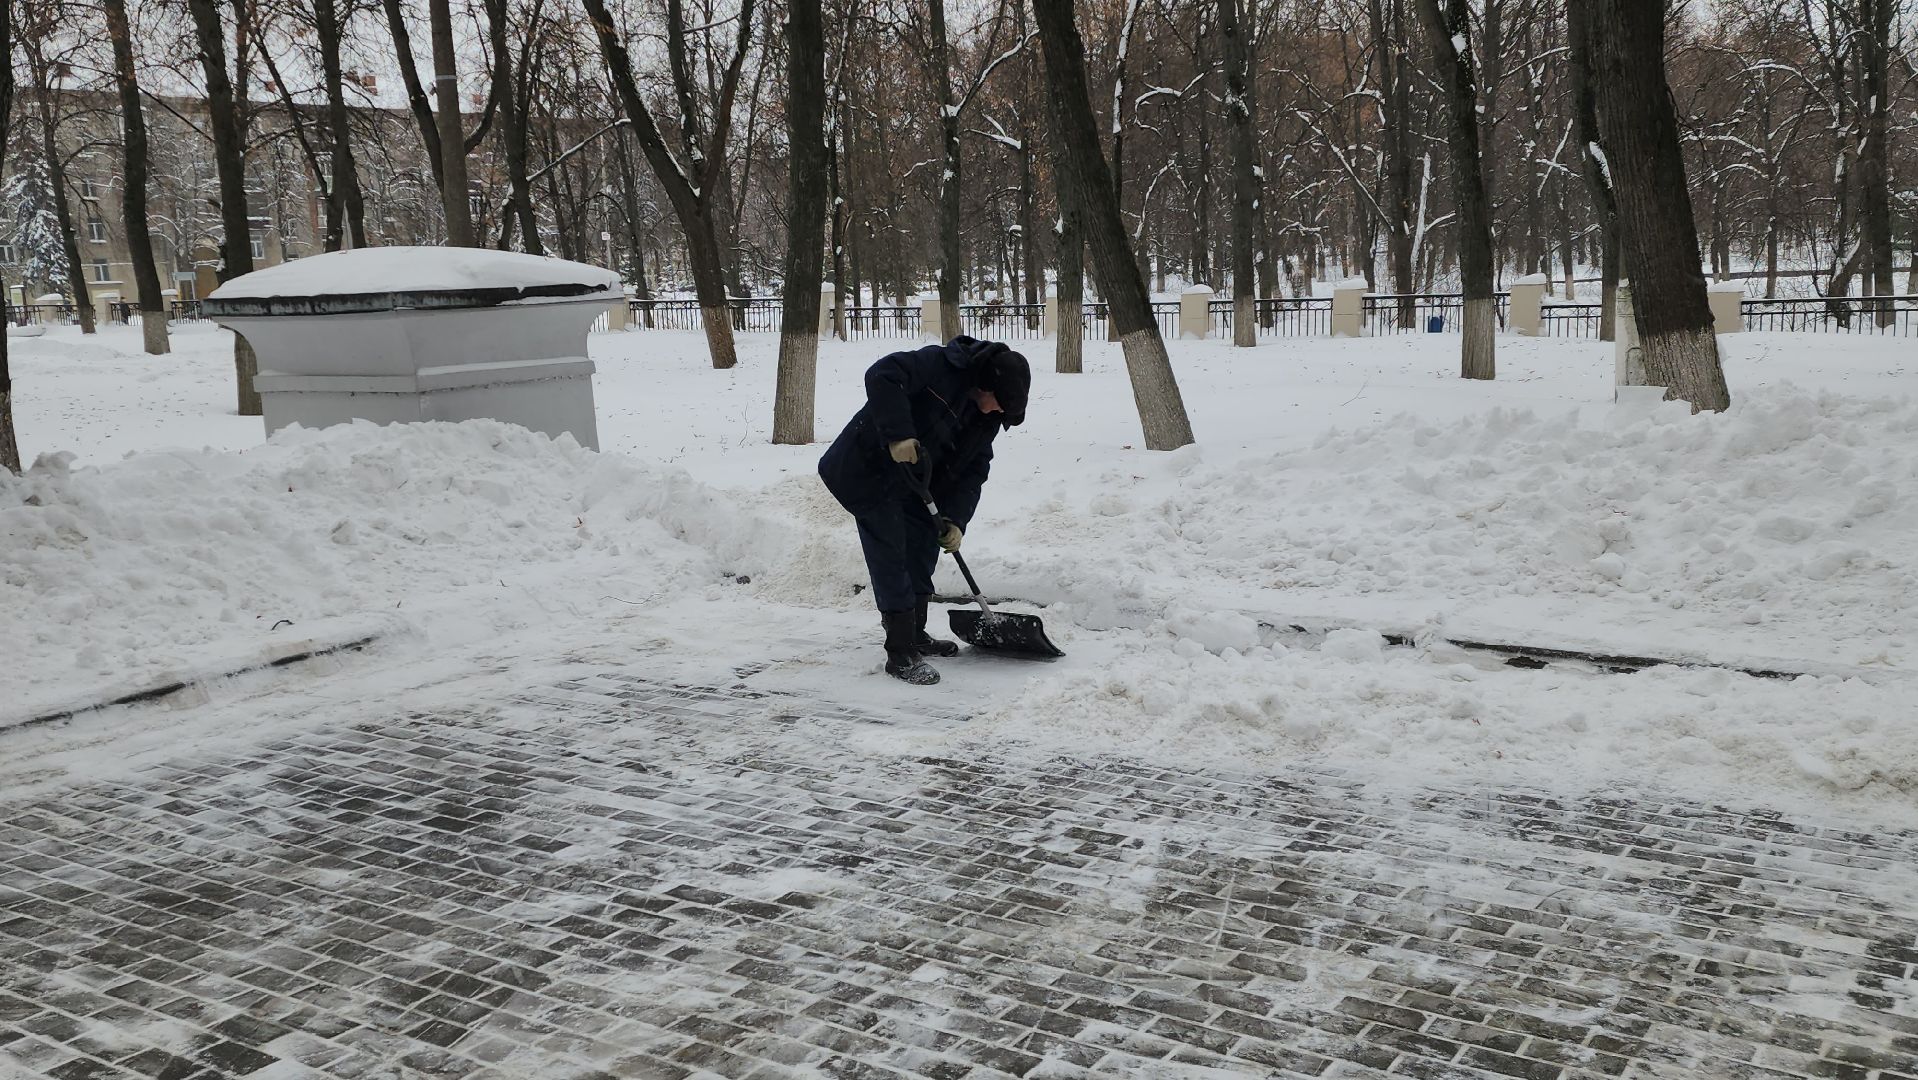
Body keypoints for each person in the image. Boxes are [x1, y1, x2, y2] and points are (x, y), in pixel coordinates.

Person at [818, 336, 1031, 685]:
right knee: (891, 555)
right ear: (986, 383)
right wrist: (898, 434)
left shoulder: (987, 418)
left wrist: (956, 520)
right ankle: (900, 653)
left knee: (922, 547)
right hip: (866, 469)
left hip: (915, 482)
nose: (996, 413)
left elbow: (974, 470)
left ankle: (915, 634)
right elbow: (883, 374)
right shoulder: (940, 365)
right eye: (998, 404)